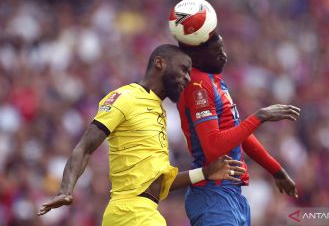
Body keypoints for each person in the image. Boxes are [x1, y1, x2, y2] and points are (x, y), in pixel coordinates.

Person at [37, 44, 247, 226]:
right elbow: (84, 147)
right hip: (131, 212)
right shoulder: (126, 97)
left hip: (140, 212)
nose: (187, 77)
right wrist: (66, 189)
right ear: (159, 63)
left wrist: (206, 172)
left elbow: (161, 184)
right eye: (183, 69)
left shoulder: (159, 111)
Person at [177, 33, 301, 226]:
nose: (224, 55)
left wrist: (276, 170)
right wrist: (259, 116)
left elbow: (238, 133)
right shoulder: (197, 85)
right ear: (198, 57)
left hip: (231, 193)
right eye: (217, 51)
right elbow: (213, 147)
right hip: (213, 195)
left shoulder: (214, 81)